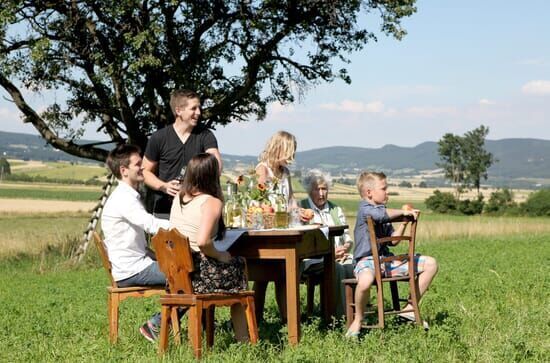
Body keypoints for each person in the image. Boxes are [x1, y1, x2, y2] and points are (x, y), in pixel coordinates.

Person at [346, 171, 438, 338]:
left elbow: (393, 241)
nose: (387, 192)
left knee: (431, 264)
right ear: (369, 193)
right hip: (366, 262)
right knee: (365, 281)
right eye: (384, 188)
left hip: (385, 262)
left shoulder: (384, 211)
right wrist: (404, 213)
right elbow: (379, 215)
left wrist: (403, 223)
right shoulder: (365, 209)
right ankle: (358, 319)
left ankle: (409, 309)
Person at [169, 153, 250, 342]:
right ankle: (244, 338)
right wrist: (220, 255)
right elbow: (203, 241)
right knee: (240, 267)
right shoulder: (211, 202)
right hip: (199, 273)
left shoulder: (179, 197)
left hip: (177, 273)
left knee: (234, 266)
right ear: (212, 175)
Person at [100, 144, 170, 343]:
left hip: (131, 265)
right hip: (132, 270)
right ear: (124, 171)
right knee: (189, 275)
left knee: (183, 270)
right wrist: (185, 225)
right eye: (138, 164)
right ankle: (156, 324)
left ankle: (174, 323)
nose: (142, 168)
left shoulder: (126, 196)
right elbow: (151, 224)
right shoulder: (124, 199)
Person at [142, 89, 222, 216]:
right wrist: (164, 186)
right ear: (178, 110)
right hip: (165, 210)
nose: (198, 112)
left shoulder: (205, 135)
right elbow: (144, 171)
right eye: (193, 108)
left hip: (197, 209)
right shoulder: (159, 138)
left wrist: (196, 190)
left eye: (199, 108)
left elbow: (216, 165)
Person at [252, 131, 298, 322]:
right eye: (289, 152)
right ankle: (258, 316)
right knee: (263, 275)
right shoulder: (263, 170)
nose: (291, 158)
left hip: (282, 227)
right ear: (278, 149)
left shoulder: (285, 173)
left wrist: (297, 211)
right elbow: (258, 199)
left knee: (280, 272)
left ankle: (285, 317)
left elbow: (291, 199)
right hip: (266, 227)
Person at [299, 171, 354, 317]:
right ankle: (339, 316)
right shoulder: (302, 209)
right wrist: (330, 254)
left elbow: (346, 237)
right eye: (317, 189)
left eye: (324, 189)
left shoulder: (335, 209)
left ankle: (357, 311)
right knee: (338, 268)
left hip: (338, 255)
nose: (321, 193)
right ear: (310, 191)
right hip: (312, 259)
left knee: (356, 265)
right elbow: (302, 242)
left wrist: (345, 247)